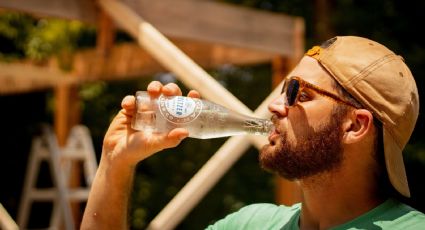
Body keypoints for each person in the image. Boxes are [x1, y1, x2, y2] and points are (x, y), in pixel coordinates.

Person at [80, 36, 425, 229]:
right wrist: (115, 164)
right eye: (282, 89)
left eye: (298, 94)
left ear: (355, 125)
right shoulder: (251, 224)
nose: (275, 106)